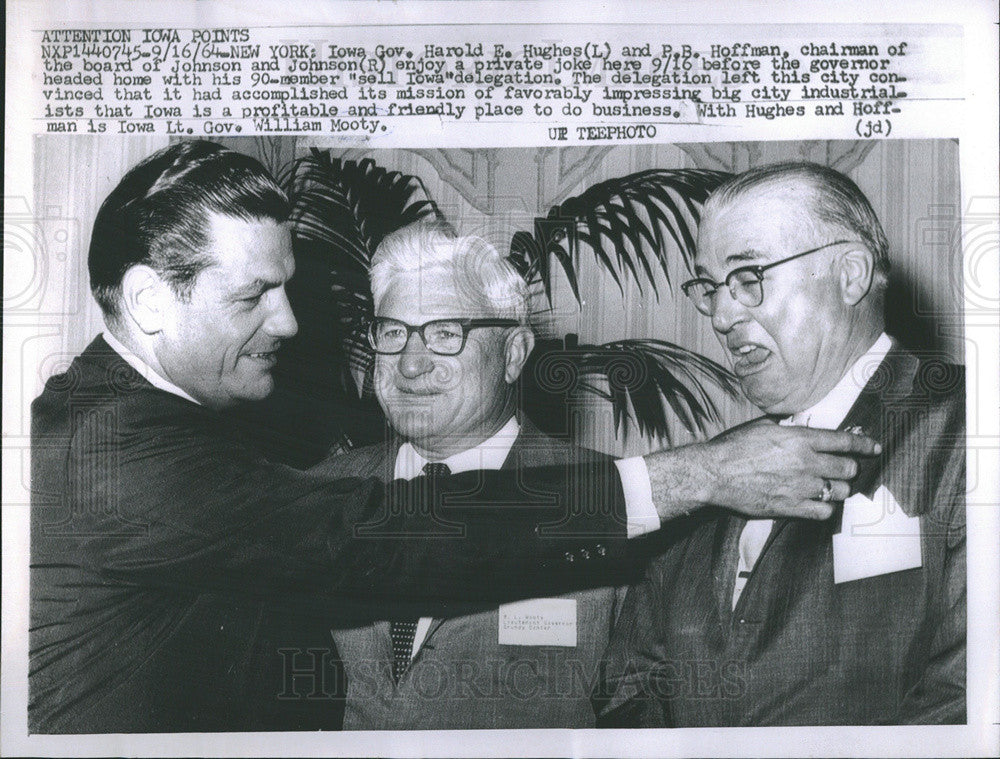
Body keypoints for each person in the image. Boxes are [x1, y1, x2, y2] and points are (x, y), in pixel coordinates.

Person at [30, 142, 879, 732]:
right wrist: (687, 474)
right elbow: (370, 538)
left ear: (514, 351)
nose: (290, 322)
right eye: (254, 296)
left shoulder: (158, 436)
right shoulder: (121, 452)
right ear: (148, 302)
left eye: (444, 334)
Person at [598, 162, 966, 726]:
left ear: (851, 274)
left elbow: (968, 695)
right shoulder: (715, 467)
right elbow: (633, 683)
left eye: (749, 277)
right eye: (709, 288)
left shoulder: (969, 426)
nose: (721, 316)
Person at [319, 224, 636, 728]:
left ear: (513, 354)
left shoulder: (613, 501)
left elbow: (642, 712)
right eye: (393, 332)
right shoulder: (316, 492)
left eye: (446, 333)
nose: (411, 363)